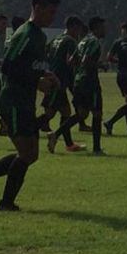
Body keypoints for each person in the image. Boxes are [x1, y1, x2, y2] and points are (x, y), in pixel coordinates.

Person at [0, 0, 61, 211]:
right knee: (27, 154)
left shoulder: (39, 35)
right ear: (37, 8)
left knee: (30, 154)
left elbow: (31, 65)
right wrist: (36, 83)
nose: (53, 17)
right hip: (13, 101)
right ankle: (5, 202)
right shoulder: (25, 33)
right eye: (50, 12)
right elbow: (8, 66)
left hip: (24, 101)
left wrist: (47, 74)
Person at [50, 17, 107, 156]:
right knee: (97, 114)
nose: (106, 30)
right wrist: (101, 65)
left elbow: (71, 60)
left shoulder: (83, 41)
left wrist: (78, 72)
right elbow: (85, 60)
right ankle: (97, 149)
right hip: (90, 82)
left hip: (79, 80)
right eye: (104, 27)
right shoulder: (94, 41)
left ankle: (55, 135)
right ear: (97, 27)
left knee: (82, 114)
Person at [42, 16, 86, 154]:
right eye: (78, 29)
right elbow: (75, 59)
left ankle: (69, 144)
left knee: (64, 112)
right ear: (73, 27)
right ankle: (22, 131)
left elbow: (45, 54)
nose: (79, 32)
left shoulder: (56, 39)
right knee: (50, 114)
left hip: (53, 77)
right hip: (59, 80)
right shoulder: (70, 41)